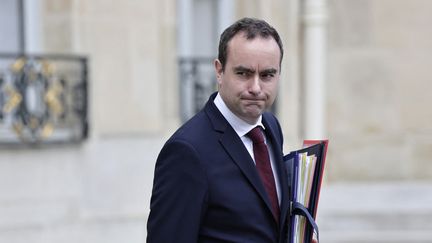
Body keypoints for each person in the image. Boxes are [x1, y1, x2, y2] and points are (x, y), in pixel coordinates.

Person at [147, 17, 315, 243]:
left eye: (267, 75)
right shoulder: (187, 151)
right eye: (243, 73)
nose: (256, 88)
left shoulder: (271, 127)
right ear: (219, 70)